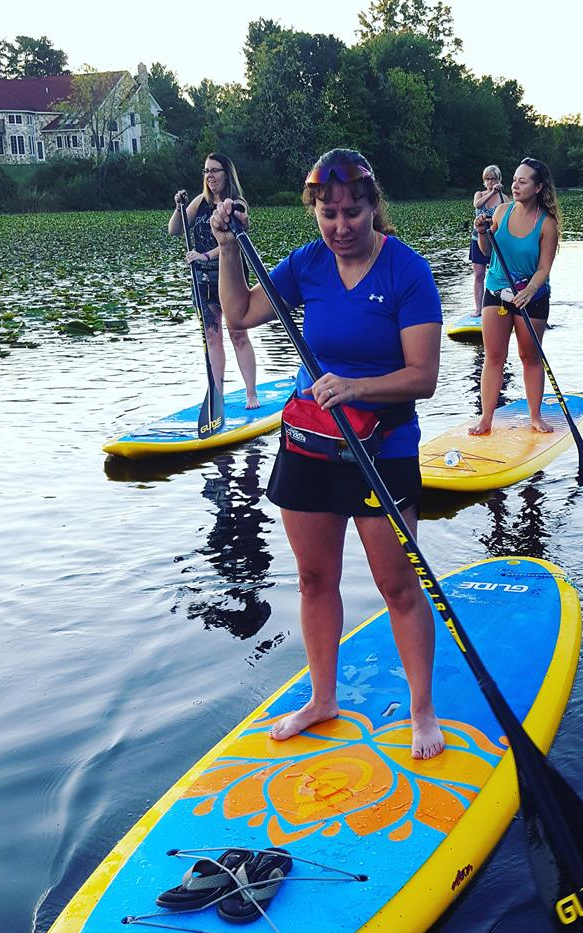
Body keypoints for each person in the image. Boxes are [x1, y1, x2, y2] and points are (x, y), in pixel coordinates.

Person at [210, 148, 445, 760]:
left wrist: (357, 387)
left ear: (374, 207)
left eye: (352, 212)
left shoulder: (407, 272)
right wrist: (229, 247)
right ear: (314, 211)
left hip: (383, 446)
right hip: (311, 442)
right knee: (315, 580)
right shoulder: (307, 265)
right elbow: (239, 313)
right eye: (328, 213)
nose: (340, 227)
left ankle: (422, 711)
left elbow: (423, 377)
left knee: (398, 584)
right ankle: (322, 699)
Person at [469, 157, 560, 436]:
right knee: (494, 356)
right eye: (514, 180)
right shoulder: (500, 212)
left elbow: (544, 267)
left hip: (531, 296)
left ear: (538, 187)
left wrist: (530, 290)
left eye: (523, 181)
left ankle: (535, 416)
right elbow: (486, 252)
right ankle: (486, 418)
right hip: (496, 291)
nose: (515, 185)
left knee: (529, 356)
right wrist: (482, 232)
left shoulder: (547, 224)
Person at [168, 153, 259, 407]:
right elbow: (175, 229)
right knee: (212, 336)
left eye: (214, 170)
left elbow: (233, 242)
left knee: (238, 334)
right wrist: (179, 207)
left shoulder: (236, 205)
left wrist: (204, 254)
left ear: (226, 174)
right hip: (203, 278)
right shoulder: (200, 202)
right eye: (206, 171)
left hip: (229, 275)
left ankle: (251, 393)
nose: (209, 176)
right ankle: (216, 393)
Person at [469, 165, 506, 317]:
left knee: (497, 273)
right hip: (477, 238)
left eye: (494, 179)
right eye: (488, 179)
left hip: (496, 240)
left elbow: (506, 218)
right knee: (479, 275)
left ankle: (499, 305)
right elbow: (477, 205)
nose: (490, 181)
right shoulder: (479, 194)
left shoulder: (504, 198)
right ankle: (478, 309)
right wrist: (492, 193)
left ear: (499, 180)